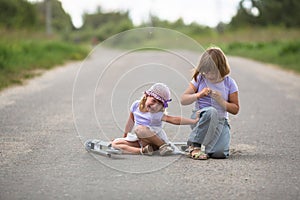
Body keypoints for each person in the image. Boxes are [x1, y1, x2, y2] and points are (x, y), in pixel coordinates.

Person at [180, 46, 239, 160]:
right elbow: (183, 99)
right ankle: (194, 145)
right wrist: (198, 94)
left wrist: (221, 101)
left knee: (218, 154)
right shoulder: (199, 79)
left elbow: (235, 109)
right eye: (206, 72)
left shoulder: (229, 83)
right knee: (211, 112)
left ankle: (209, 145)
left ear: (221, 69)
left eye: (213, 72)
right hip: (200, 118)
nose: (210, 76)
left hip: (220, 122)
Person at [112, 83, 200, 156]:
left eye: (159, 104)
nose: (154, 106)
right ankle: (143, 151)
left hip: (155, 140)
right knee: (115, 144)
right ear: (146, 96)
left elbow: (174, 120)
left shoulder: (156, 114)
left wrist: (193, 121)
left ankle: (163, 146)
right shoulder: (136, 105)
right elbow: (130, 122)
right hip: (142, 141)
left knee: (139, 129)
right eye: (153, 101)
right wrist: (125, 136)